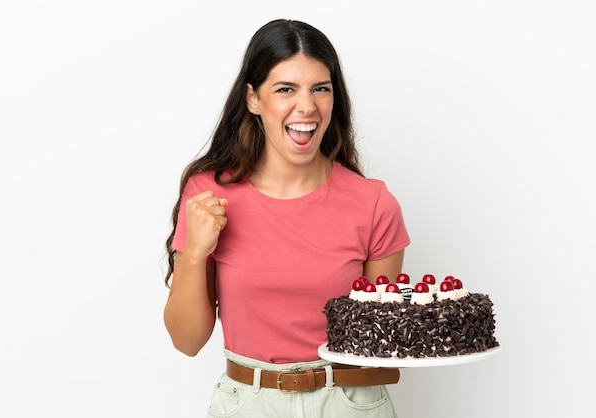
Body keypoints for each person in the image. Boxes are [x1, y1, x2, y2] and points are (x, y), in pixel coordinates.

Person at [163, 19, 410, 418]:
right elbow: (186, 341)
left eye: (320, 89)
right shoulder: (208, 196)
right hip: (247, 403)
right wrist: (194, 254)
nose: (307, 107)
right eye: (285, 89)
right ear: (253, 99)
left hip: (350, 404)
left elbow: (382, 347)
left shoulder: (373, 204)